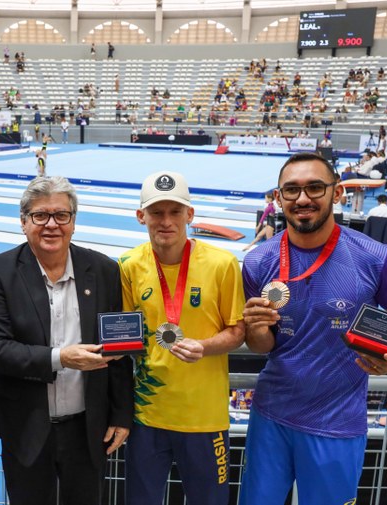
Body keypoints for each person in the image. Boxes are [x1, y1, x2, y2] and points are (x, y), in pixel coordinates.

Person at [240, 152, 387, 505]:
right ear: (279, 198)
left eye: (314, 187)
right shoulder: (257, 261)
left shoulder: (374, 257)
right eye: (291, 190)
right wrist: (256, 328)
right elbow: (263, 346)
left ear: (337, 193)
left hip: (337, 424)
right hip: (270, 417)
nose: (303, 198)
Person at [0, 176, 133, 505]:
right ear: (23, 222)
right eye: (40, 216)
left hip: (87, 428)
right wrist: (60, 358)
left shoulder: (103, 270)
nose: (52, 225)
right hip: (27, 427)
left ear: (73, 222)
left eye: (61, 215)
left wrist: (121, 413)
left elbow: (118, 350)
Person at [119, 171, 245, 505]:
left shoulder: (223, 264)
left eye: (175, 212)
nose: (166, 221)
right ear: (140, 216)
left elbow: (237, 331)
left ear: (190, 215)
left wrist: (204, 347)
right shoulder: (128, 266)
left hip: (205, 419)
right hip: (147, 416)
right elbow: (120, 333)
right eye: (156, 212)